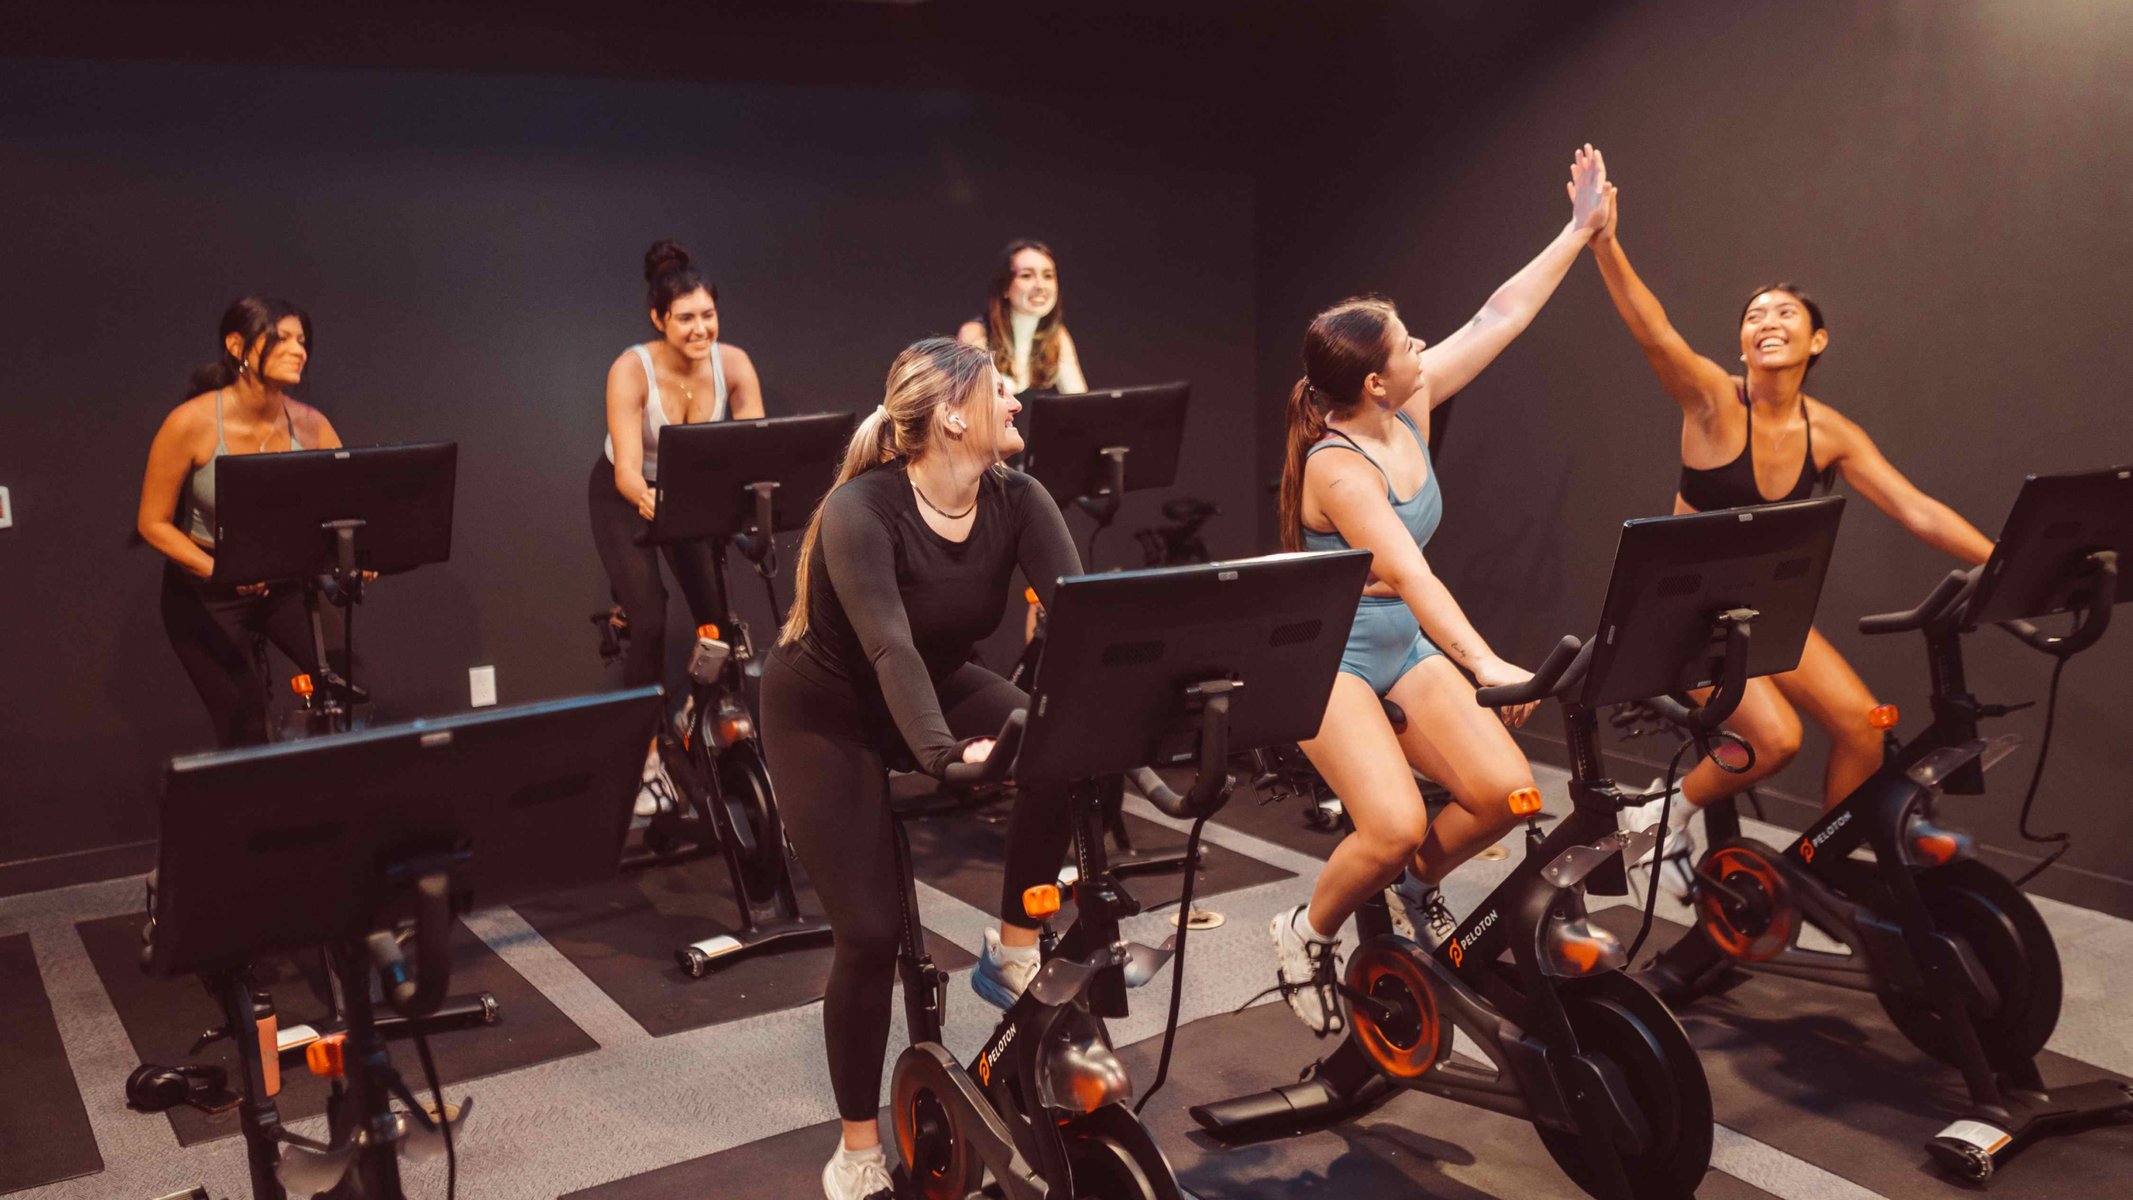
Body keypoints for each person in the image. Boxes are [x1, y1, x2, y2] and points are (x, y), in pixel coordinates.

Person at [1269, 146, 1613, 1036]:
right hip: (1329, 660)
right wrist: (1487, 661)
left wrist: (1576, 231)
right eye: (1408, 342)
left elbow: (1500, 313)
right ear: (1375, 380)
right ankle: (1304, 930)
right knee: (1383, 826)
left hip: (1399, 643)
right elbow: (1412, 572)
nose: (1425, 345)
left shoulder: (1403, 407)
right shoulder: (1338, 467)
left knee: (1504, 794)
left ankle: (1417, 892)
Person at [1587, 180, 1994, 892]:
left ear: (1817, 338)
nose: (1766, 321)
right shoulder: (1714, 402)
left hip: (1758, 612)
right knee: (1775, 739)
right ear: (1741, 341)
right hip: (1681, 615)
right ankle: (1658, 815)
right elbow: (1653, 331)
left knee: (1864, 723)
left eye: (1784, 312)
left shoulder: (1828, 431)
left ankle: (1825, 876)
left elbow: (1914, 508)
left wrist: (2004, 562)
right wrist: (1604, 242)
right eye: (1753, 315)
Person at [761, 338, 1080, 1200]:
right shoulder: (859, 509)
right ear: (949, 415)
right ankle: (858, 1147)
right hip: (825, 711)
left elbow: (1088, 617)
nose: (1016, 401)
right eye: (999, 391)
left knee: (1058, 743)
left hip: (931, 682)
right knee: (867, 934)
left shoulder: (1017, 497)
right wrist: (943, 758)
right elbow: (886, 644)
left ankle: (1012, 945)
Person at [589, 240, 764, 811]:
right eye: (685, 318)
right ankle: (643, 759)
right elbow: (629, 477)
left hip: (690, 493)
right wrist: (666, 507)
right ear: (659, 319)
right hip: (626, 490)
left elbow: (752, 448)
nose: (699, 328)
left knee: (718, 622)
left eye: (707, 315)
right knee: (650, 621)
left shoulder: (733, 364)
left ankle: (699, 704)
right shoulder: (630, 368)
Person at [137, 297, 347, 748]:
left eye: (303, 341)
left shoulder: (311, 425)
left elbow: (344, 507)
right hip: (205, 590)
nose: (299, 350)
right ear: (238, 346)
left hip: (282, 582)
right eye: (283, 338)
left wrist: (356, 553)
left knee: (344, 686)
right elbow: (152, 523)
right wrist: (221, 570)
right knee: (246, 724)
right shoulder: (190, 423)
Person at [957, 238, 1088, 395]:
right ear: (1005, 287)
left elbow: (1079, 402)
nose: (1040, 285)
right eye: (1027, 275)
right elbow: (976, 404)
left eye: (1048, 276)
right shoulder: (975, 333)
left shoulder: (1057, 337)